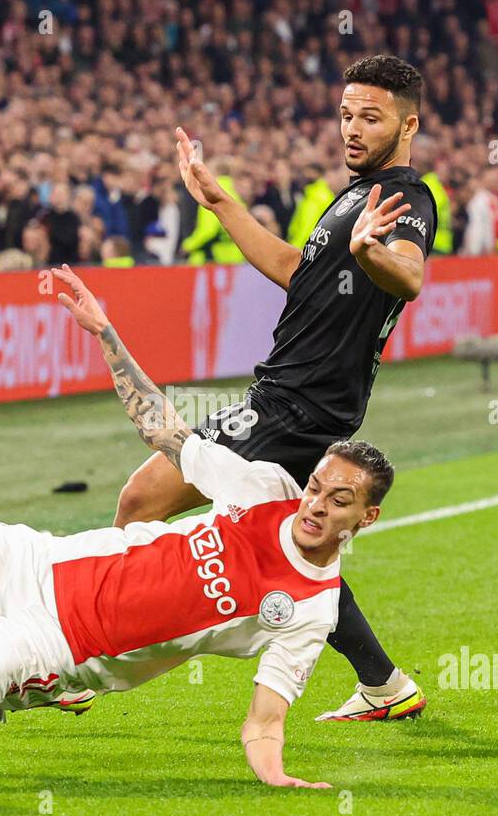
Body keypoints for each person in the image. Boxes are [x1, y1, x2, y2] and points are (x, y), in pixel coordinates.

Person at [0, 265, 397, 788]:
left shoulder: (311, 608)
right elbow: (162, 429)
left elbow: (265, 720)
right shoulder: (265, 488)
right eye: (316, 486)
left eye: (337, 499)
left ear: (365, 517)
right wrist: (104, 331)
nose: (315, 504)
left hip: (59, 644)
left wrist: (275, 774)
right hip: (41, 559)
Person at [105, 55, 437, 722]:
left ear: (408, 124)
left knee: (142, 501)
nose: (352, 129)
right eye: (346, 114)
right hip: (292, 401)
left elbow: (410, 275)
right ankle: (384, 684)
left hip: (294, 408)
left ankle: (97, 652)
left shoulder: (404, 197)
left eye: (370, 117)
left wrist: (375, 254)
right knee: (291, 542)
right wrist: (221, 201)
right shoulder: (348, 198)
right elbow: (294, 268)